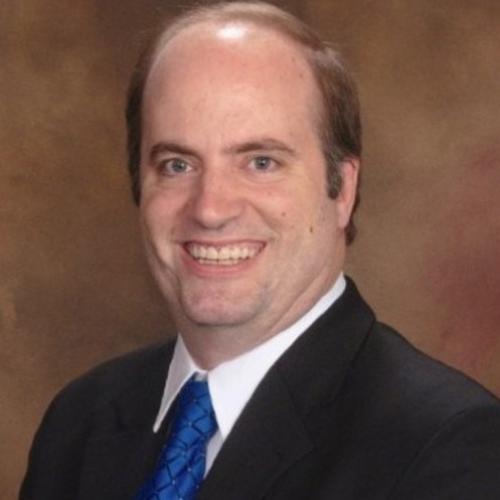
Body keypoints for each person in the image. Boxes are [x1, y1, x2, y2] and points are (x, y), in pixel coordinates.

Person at [20, 2, 500, 499]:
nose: (210, 209)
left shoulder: (452, 449)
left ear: (343, 189)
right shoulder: (78, 424)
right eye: (177, 165)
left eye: (261, 162)